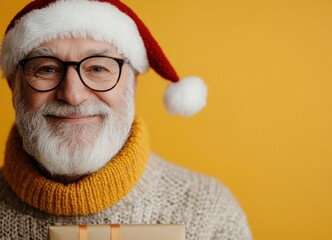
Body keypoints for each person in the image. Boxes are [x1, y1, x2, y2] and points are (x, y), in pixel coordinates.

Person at [0, 0, 252, 239]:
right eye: (47, 69)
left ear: (133, 83)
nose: (73, 95)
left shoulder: (210, 211)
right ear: (15, 86)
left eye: (98, 68)